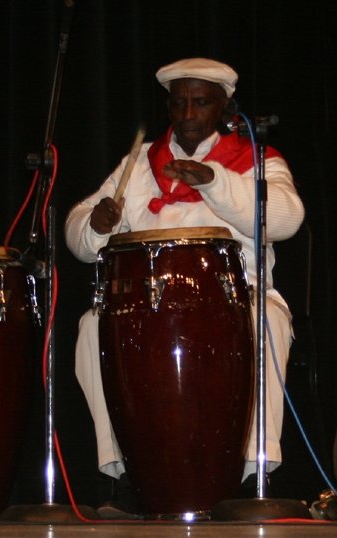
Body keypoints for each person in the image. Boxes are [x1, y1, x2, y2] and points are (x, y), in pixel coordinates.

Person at [65, 57, 305, 515]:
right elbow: (77, 235)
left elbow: (286, 219)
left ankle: (254, 476)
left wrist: (213, 182)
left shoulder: (255, 159)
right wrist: (94, 225)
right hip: (149, 305)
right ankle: (125, 475)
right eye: (179, 103)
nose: (188, 113)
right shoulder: (140, 161)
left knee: (268, 320)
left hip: (236, 298)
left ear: (225, 107)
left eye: (201, 102)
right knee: (92, 327)